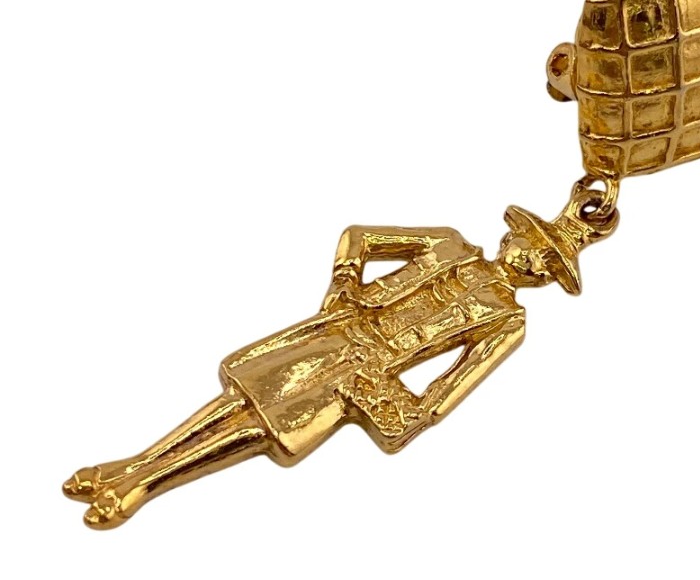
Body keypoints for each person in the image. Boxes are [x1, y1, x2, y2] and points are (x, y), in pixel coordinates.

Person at [63, 188, 617, 529]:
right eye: (534, 248)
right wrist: (344, 286)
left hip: (365, 372)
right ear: (512, 236)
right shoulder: (447, 243)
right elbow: (360, 237)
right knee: (240, 398)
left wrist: (415, 413)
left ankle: (144, 485)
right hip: (337, 332)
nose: (533, 264)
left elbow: (454, 385)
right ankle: (133, 464)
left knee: (262, 430)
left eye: (547, 267)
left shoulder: (507, 320)